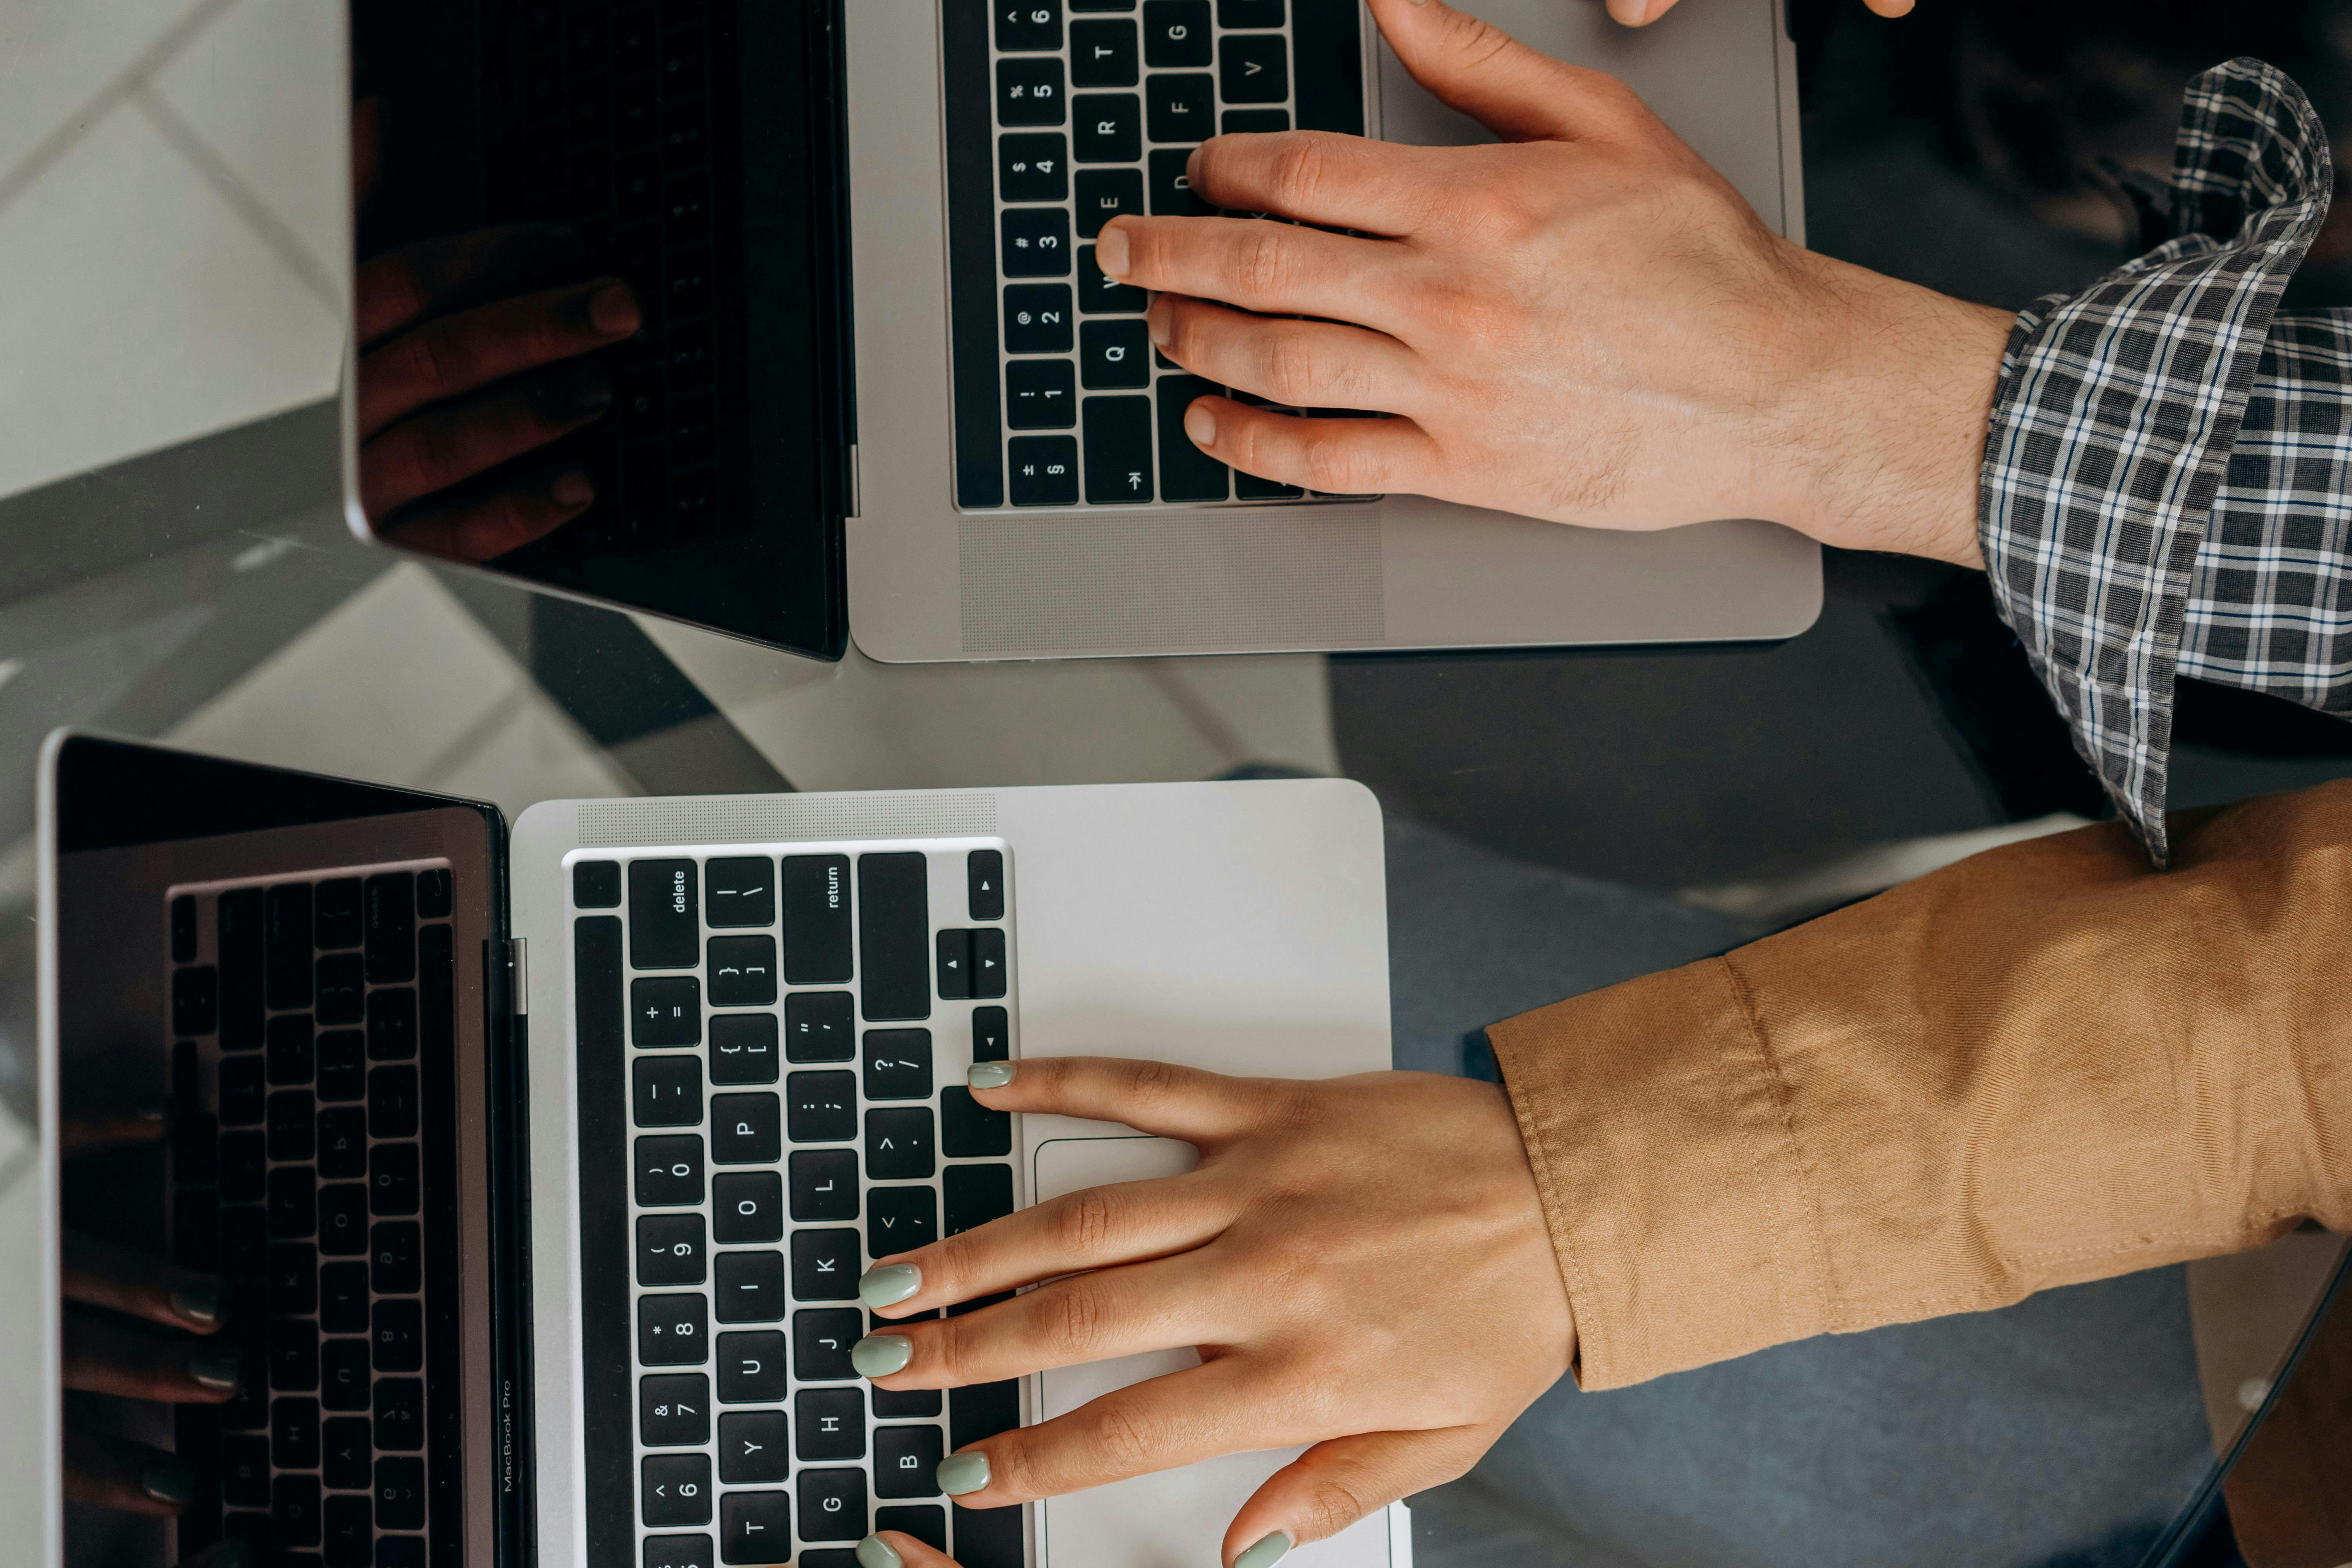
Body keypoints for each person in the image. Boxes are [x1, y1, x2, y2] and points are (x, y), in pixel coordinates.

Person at [831, 1, 2351, 1566]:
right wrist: (1853, 402)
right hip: (2240, 1331)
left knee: (1117, 1321)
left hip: (2203, 1487)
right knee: (1096, 1012)